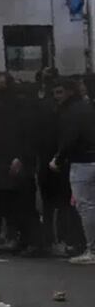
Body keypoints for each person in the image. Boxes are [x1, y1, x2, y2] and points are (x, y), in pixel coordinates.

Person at [50, 79, 95, 264]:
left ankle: (92, 248)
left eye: (60, 92)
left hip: (81, 162)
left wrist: (58, 159)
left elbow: (70, 137)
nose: (57, 96)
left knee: (85, 207)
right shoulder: (87, 107)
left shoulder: (70, 112)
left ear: (69, 92)